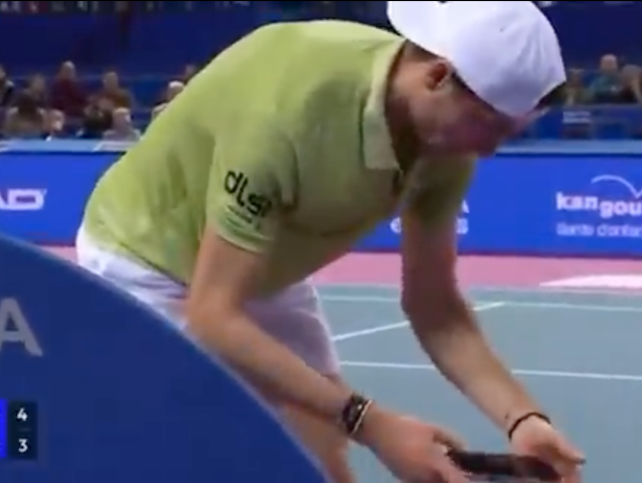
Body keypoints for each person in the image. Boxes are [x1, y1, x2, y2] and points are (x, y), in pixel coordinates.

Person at [77, 2, 584, 482]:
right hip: (144, 260)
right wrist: (373, 424)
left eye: (508, 132)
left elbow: (436, 307)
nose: (491, 149)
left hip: (262, 261)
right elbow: (213, 316)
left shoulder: (447, 145)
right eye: (489, 126)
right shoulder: (286, 111)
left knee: (319, 446)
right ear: (437, 77)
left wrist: (523, 419)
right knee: (194, 453)